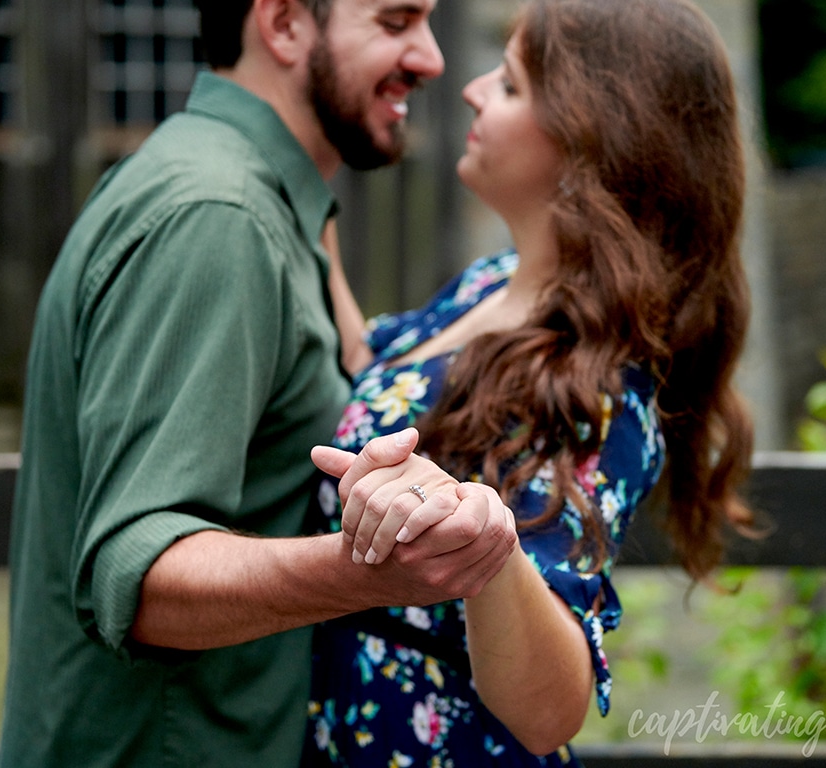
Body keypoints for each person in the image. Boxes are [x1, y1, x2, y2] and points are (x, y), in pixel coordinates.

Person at [0, 1, 520, 766]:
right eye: (396, 21)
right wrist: (368, 571)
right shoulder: (219, 217)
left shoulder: (250, 196)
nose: (433, 60)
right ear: (281, 25)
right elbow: (140, 574)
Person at [301, 0, 755, 764]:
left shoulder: (601, 387)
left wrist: (481, 535)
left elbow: (550, 713)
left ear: (588, 134)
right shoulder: (490, 284)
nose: (473, 91)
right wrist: (307, 165)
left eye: (509, 85)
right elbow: (362, 367)